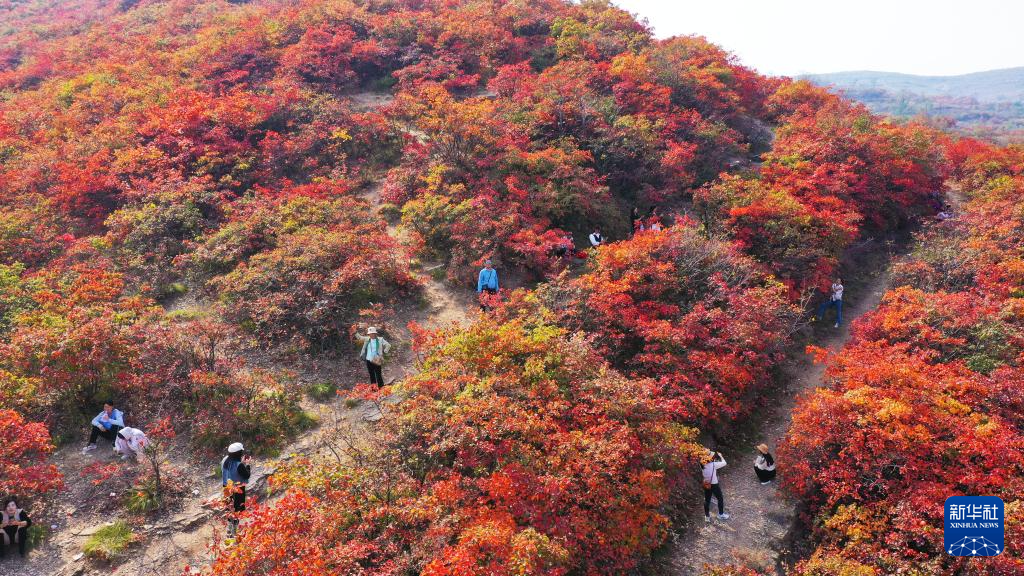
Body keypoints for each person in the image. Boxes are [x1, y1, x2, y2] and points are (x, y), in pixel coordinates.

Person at [221, 442, 252, 541]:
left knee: (230, 509)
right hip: (237, 490)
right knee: (237, 510)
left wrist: (241, 463)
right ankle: (234, 533)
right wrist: (247, 464)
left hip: (227, 488)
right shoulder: (239, 465)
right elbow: (246, 475)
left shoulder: (225, 460)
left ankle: (229, 531)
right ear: (239, 453)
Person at [701, 449, 730, 522]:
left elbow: (709, 463)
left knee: (707, 500)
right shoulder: (714, 464)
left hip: (706, 483)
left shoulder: (701, 464)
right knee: (720, 498)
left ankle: (707, 516)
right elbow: (724, 463)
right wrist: (721, 456)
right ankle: (721, 514)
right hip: (714, 484)